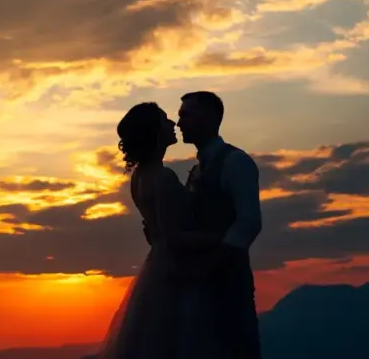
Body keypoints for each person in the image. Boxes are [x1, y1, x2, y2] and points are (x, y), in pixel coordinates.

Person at [94, 102, 238, 359]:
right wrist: (225, 238)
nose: (173, 124)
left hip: (160, 266)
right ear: (154, 131)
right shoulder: (162, 178)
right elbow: (175, 238)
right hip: (175, 271)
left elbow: (157, 231)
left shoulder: (140, 176)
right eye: (165, 120)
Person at [176, 91, 263, 359]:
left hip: (229, 282)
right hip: (199, 285)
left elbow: (249, 222)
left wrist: (214, 262)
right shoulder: (197, 170)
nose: (179, 124)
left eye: (185, 115)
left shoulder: (236, 162)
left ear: (209, 118)